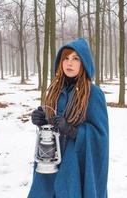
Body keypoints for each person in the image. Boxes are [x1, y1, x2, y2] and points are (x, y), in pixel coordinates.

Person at [28, 37, 109, 198]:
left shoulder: (93, 94)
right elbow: (52, 121)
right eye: (66, 58)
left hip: (75, 165)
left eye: (75, 58)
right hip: (50, 160)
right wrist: (43, 122)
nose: (69, 63)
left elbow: (100, 137)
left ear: (84, 63)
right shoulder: (55, 91)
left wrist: (73, 131)